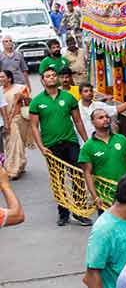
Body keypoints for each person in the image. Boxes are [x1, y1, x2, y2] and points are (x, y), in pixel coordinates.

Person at [29, 66, 90, 226]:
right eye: (47, 76)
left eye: (53, 75)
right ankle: (63, 213)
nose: (51, 78)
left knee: (77, 176)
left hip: (71, 143)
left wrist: (87, 142)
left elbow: (77, 121)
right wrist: (41, 147)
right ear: (42, 81)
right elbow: (34, 126)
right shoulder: (37, 102)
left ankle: (80, 212)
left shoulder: (68, 98)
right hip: (51, 146)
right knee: (58, 180)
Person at [79, 107, 126, 210]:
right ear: (93, 122)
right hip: (105, 197)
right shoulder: (88, 147)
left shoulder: (121, 139)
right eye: (100, 117)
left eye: (107, 117)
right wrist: (95, 197)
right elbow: (87, 174)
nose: (105, 119)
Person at [1, 69, 30, 178]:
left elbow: (28, 102)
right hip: (5, 120)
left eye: (3, 77)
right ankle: (18, 166)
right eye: (0, 77)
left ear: (9, 78)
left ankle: (14, 170)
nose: (1, 79)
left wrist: (22, 97)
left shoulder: (20, 88)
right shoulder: (0, 91)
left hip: (17, 119)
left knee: (16, 144)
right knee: (10, 144)